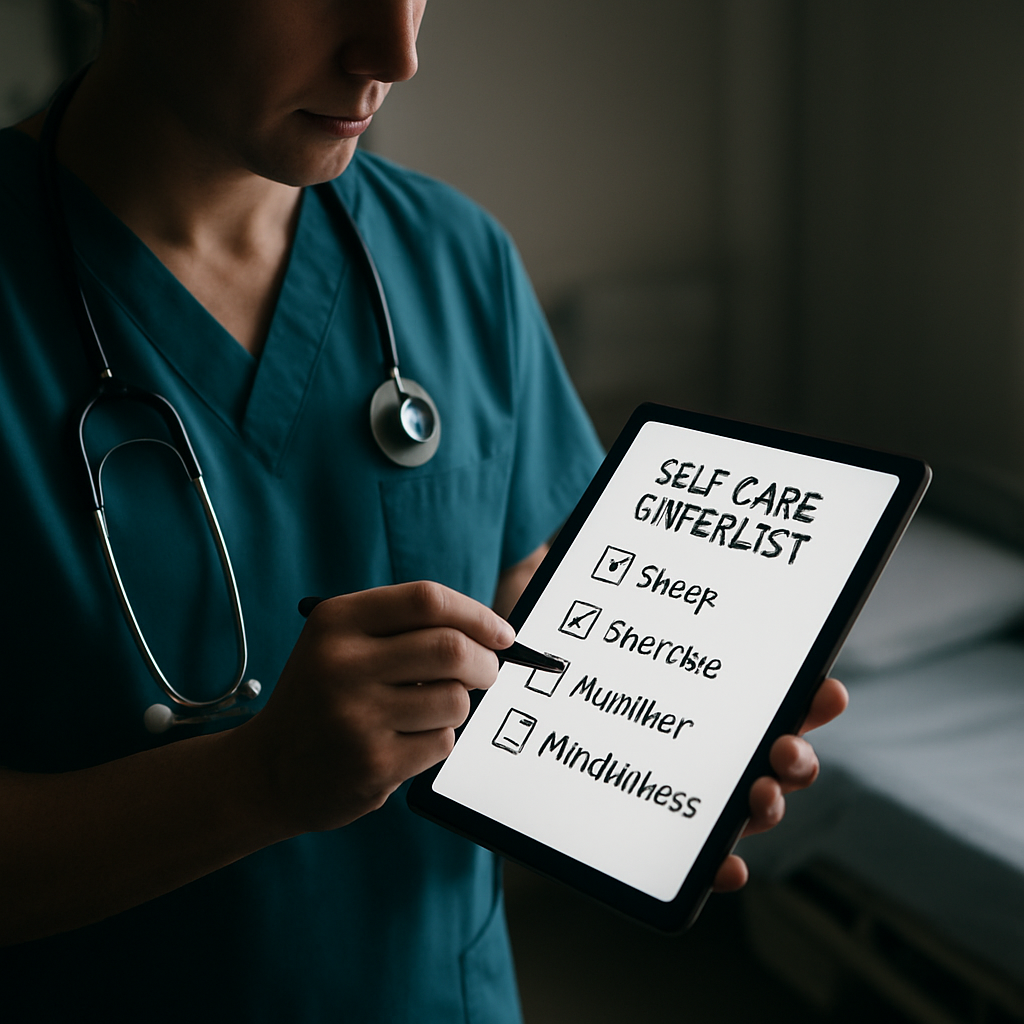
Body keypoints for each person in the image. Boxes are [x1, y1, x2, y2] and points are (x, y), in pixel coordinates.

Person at [0, 1, 848, 1020]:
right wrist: (258, 782)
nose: (395, 54)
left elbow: (522, 592)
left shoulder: (454, 255)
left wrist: (650, 741)